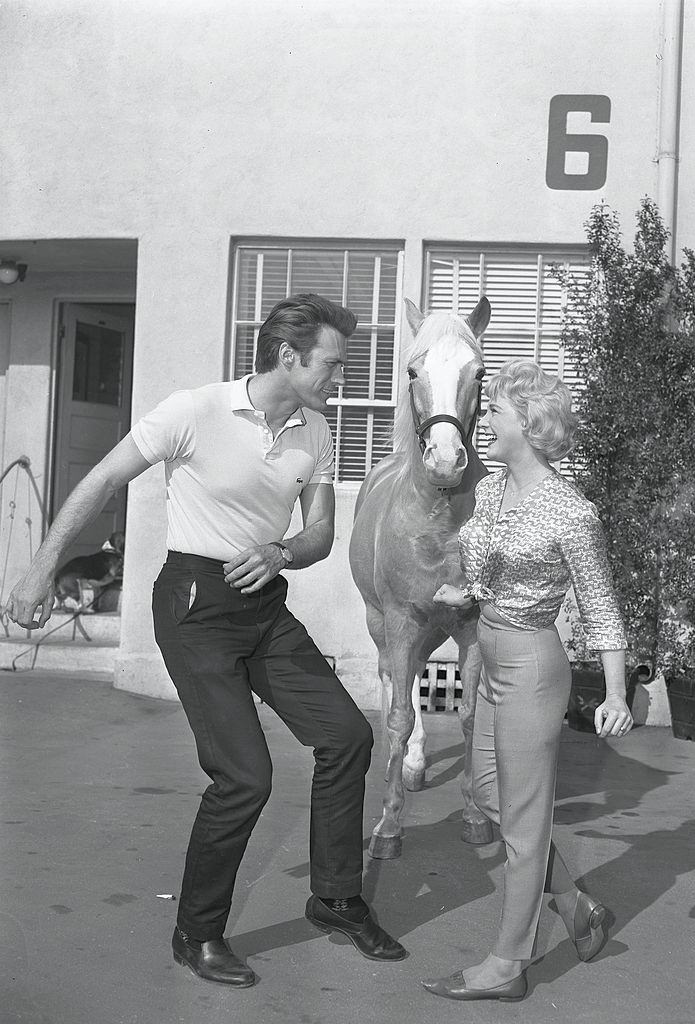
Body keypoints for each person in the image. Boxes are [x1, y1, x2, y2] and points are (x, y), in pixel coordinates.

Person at [5, 293, 407, 988]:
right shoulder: (195, 410)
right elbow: (103, 480)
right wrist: (39, 571)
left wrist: (282, 552)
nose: (343, 378)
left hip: (263, 602)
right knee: (246, 774)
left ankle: (335, 897)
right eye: (335, 364)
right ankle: (197, 932)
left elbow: (318, 533)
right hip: (194, 601)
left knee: (347, 736)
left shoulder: (314, 430)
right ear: (289, 356)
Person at [423, 359, 631, 1003]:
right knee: (487, 792)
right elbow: (484, 569)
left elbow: (601, 605)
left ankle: (507, 966)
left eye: (497, 413)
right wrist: (464, 590)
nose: (485, 419)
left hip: (532, 668)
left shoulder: (572, 513)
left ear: (531, 427)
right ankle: (574, 905)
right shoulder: (490, 492)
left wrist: (618, 694)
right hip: (484, 654)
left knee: (522, 821)